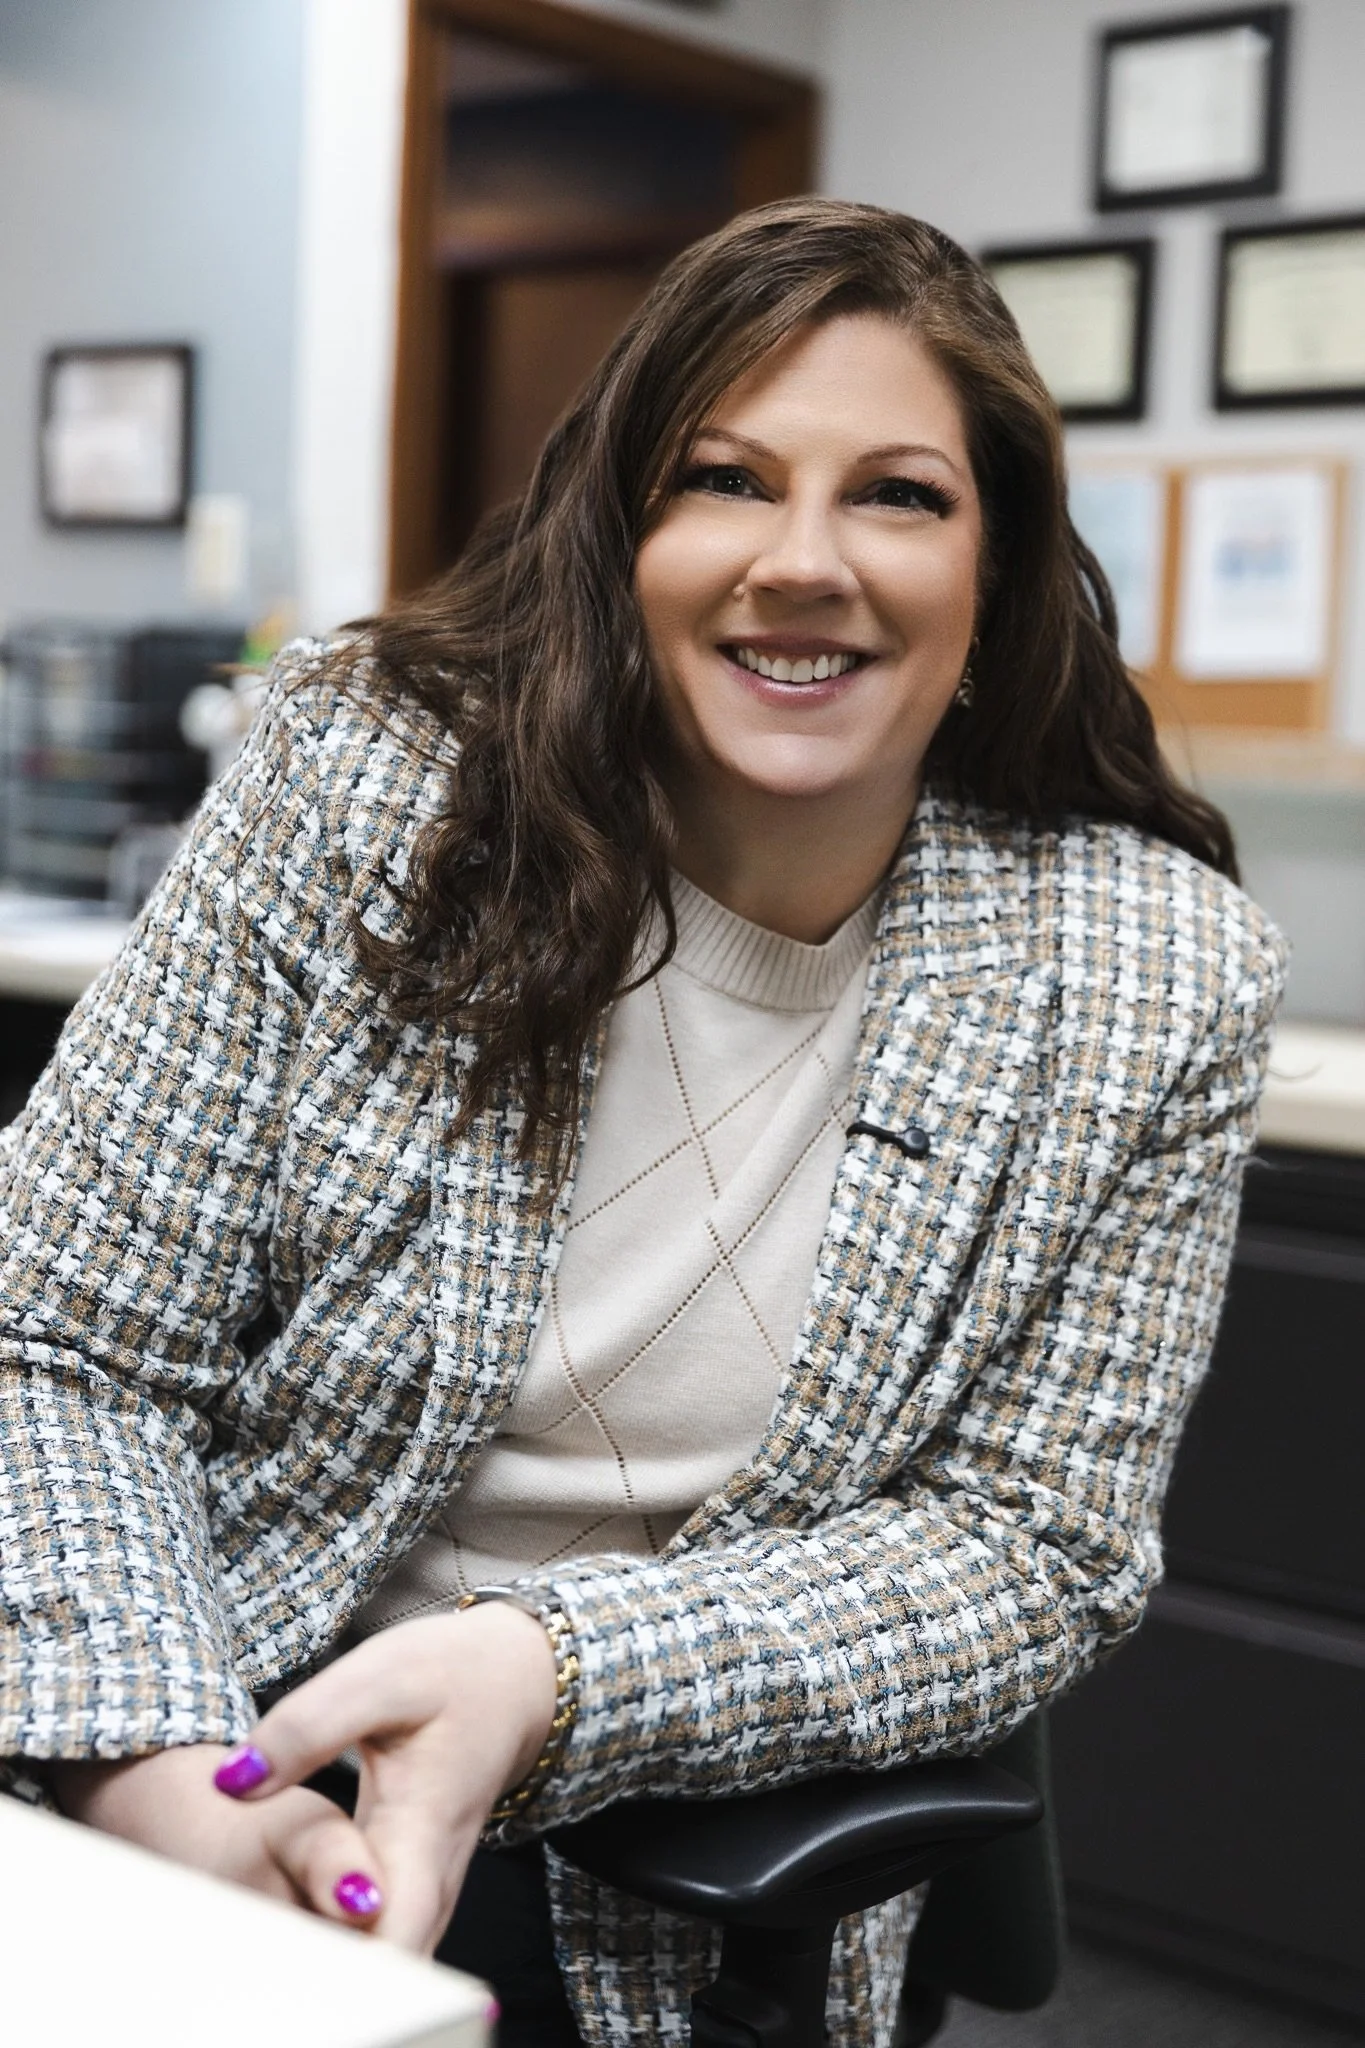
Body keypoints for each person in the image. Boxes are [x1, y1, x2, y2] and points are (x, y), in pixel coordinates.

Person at [0, 200, 1283, 2048]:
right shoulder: (367, 787)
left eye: (900, 497)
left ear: (996, 574)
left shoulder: (1153, 973)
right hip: (209, 1701)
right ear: (623, 539)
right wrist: (154, 1773)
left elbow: (1037, 1546)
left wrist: (555, 1673)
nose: (806, 562)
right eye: (725, 479)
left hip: (671, 1830)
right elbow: (58, 1338)